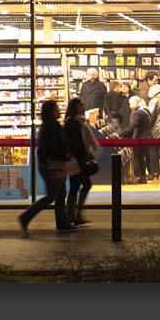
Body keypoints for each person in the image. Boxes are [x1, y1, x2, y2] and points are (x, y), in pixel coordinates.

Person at [19, 99, 75, 235]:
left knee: (60, 193)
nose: (59, 110)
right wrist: (65, 156)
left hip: (49, 163)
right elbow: (50, 148)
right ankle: (26, 217)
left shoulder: (50, 125)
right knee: (53, 195)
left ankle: (63, 223)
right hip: (51, 165)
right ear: (51, 111)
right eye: (56, 108)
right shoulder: (51, 127)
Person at [63, 97, 98, 225]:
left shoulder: (78, 122)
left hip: (77, 158)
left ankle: (73, 214)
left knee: (76, 186)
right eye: (80, 106)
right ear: (74, 108)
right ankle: (73, 214)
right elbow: (75, 141)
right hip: (76, 159)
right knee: (81, 185)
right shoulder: (74, 123)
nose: (83, 108)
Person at [126, 93, 153, 183]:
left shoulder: (138, 113)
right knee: (142, 157)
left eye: (130, 104)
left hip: (141, 138)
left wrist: (120, 133)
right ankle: (143, 177)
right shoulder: (145, 111)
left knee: (136, 157)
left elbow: (132, 127)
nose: (130, 106)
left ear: (135, 103)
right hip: (148, 136)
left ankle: (137, 176)